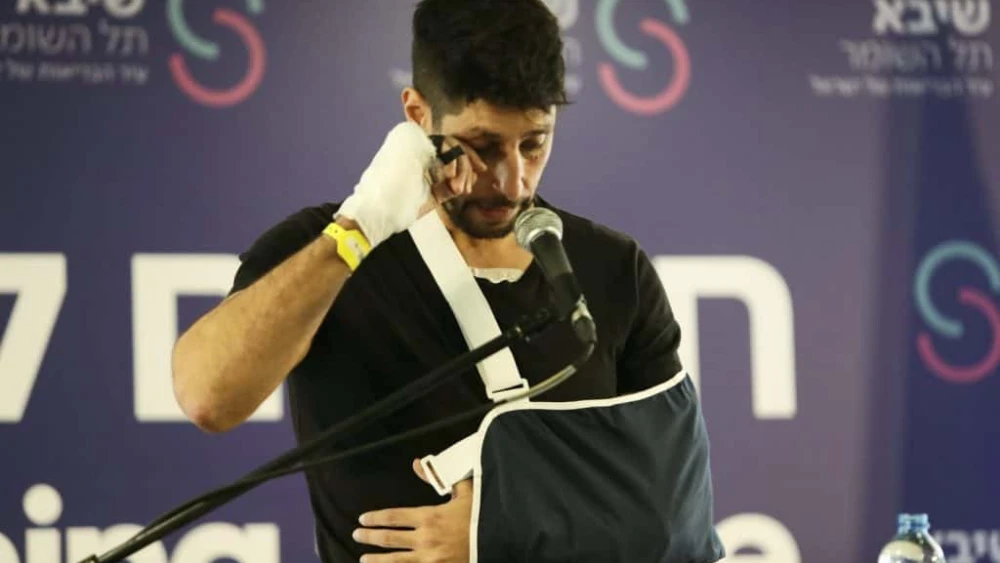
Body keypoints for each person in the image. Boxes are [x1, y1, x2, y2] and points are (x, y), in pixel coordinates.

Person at [171, 0, 723, 561]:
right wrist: (356, 233)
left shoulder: (611, 268)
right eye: (483, 147)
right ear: (417, 115)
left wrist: (501, 531)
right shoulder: (323, 249)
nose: (512, 183)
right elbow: (207, 399)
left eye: (534, 143)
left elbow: (680, 520)